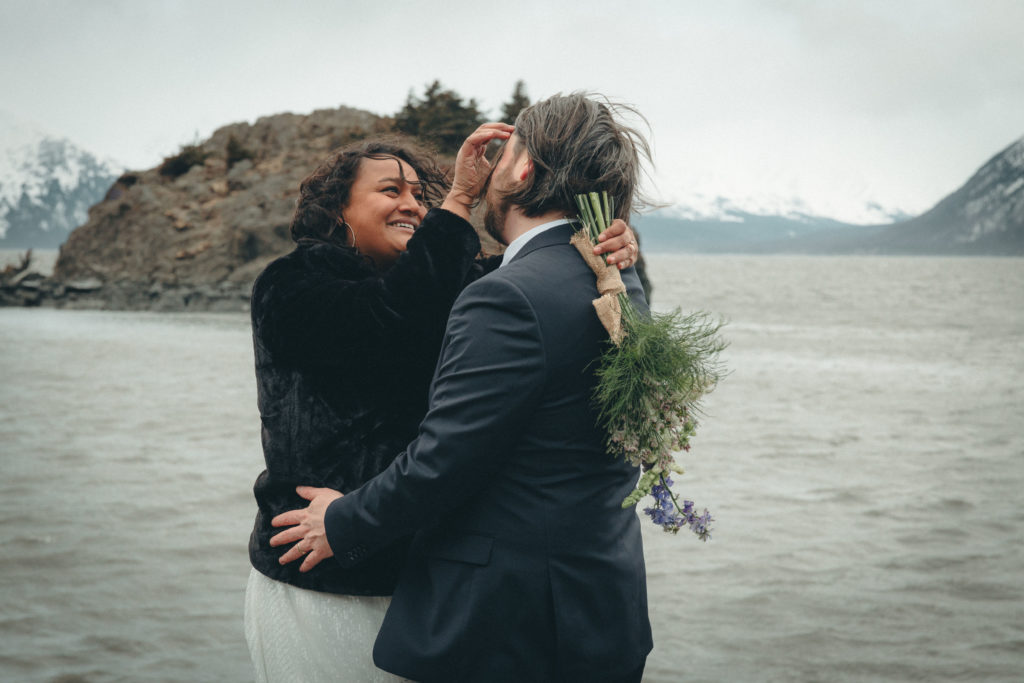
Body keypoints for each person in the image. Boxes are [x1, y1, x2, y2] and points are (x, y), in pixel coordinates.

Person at [271, 93, 654, 682]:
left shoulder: (509, 293)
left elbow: (447, 456)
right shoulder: (614, 284)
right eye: (389, 191)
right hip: (599, 608)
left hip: (507, 622)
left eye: (416, 194)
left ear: (522, 168)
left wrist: (344, 519)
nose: (412, 204)